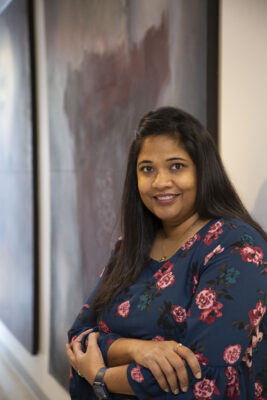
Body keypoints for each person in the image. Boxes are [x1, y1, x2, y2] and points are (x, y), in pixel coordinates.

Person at [66, 107, 267, 400]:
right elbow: (79, 338)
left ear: (203, 171)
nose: (160, 182)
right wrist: (140, 349)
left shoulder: (236, 246)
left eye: (176, 166)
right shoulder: (129, 247)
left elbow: (207, 378)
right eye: (147, 169)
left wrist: (101, 377)